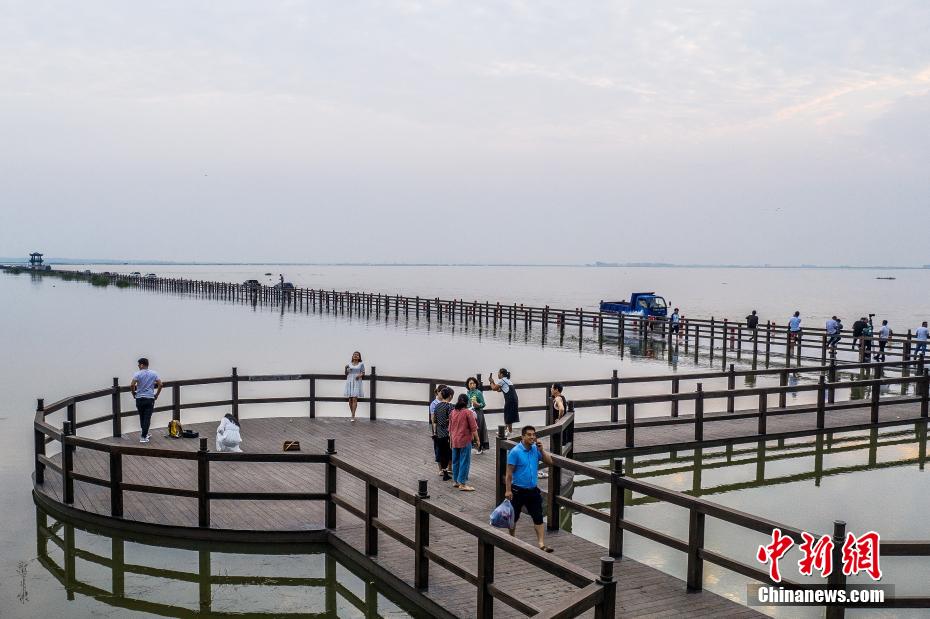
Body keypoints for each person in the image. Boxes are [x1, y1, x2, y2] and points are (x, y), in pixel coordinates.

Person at [504, 425, 554, 552]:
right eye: (529, 435)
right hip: (517, 490)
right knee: (514, 517)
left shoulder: (535, 449)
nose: (532, 437)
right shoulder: (515, 452)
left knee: (538, 516)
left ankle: (542, 544)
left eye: (534, 435)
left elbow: (550, 461)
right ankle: (512, 538)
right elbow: (509, 474)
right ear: (523, 436)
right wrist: (508, 490)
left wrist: (542, 450)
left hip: (533, 490)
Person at [449, 394, 479, 491]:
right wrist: (478, 440)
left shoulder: (453, 412)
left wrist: (451, 440)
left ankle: (456, 481)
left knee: (455, 461)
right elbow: (474, 428)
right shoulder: (468, 412)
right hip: (465, 440)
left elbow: (450, 428)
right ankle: (462, 483)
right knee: (464, 461)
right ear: (467, 402)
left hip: (454, 439)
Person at [130, 357, 162, 444]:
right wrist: (156, 395)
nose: (138, 366)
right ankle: (143, 436)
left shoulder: (137, 374)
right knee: (147, 417)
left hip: (139, 398)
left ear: (142, 364)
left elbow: (132, 384)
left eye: (138, 365)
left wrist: (133, 393)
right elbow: (160, 384)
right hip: (149, 398)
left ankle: (144, 434)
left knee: (142, 416)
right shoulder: (154, 373)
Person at [431, 386, 454, 480]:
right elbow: (452, 419)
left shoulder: (437, 406)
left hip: (439, 433)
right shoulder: (450, 406)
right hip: (447, 433)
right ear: (450, 396)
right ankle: (448, 471)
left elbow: (434, 420)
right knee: (449, 453)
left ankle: (444, 472)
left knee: (442, 453)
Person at [489, 368, 519, 437]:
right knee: (508, 414)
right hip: (513, 399)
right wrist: (493, 382)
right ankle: (506, 430)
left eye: (498, 373)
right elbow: (498, 389)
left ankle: (510, 432)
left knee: (508, 415)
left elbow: (494, 388)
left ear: (501, 374)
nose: (498, 375)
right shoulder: (507, 380)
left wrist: (491, 382)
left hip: (510, 400)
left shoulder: (502, 380)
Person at [466, 377, 488, 454]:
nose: (472, 385)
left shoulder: (478, 392)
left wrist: (477, 404)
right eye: (470, 383)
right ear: (468, 385)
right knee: (471, 430)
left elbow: (483, 404)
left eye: (474, 383)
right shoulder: (468, 393)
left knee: (478, 429)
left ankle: (480, 447)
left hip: (478, 413)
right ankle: (473, 446)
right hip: (470, 413)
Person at [429, 384, 448, 473]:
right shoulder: (434, 404)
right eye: (442, 392)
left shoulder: (447, 402)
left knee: (448, 448)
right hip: (438, 428)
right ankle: (440, 469)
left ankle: (447, 468)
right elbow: (433, 419)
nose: (444, 393)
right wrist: (435, 431)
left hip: (446, 428)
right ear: (438, 392)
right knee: (438, 448)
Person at [343, 351, 365, 421]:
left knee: (355, 398)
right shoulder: (349, 364)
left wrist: (359, 375)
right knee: (350, 399)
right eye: (354, 355)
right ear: (352, 356)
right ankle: (352, 413)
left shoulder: (361, 364)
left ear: (359, 357)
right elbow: (346, 373)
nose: (355, 356)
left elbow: (363, 372)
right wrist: (345, 368)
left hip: (357, 381)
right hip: (350, 381)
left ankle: (353, 416)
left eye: (357, 355)